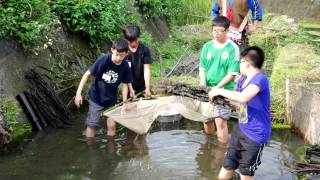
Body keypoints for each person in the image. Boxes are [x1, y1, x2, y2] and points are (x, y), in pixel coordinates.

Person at [208, 46, 270, 179]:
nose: (238, 65)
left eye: (240, 62)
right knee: (228, 165)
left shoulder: (260, 79)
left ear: (247, 63)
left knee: (245, 173)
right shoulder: (242, 79)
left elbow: (243, 97)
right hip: (240, 128)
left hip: (255, 135)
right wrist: (224, 103)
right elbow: (240, 104)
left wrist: (219, 90)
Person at [74, 38, 135, 139]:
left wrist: (124, 102)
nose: (119, 58)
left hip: (111, 100)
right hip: (96, 98)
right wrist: (78, 94)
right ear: (112, 50)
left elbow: (125, 84)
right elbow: (86, 74)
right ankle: (91, 148)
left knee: (112, 125)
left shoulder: (125, 66)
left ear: (126, 53)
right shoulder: (104, 60)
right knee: (92, 124)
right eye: (117, 55)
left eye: (122, 56)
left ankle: (111, 149)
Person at [199, 16, 240, 144]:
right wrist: (202, 82)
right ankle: (208, 145)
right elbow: (202, 67)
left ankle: (220, 152)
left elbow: (232, 74)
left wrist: (217, 88)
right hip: (207, 89)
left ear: (227, 31)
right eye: (214, 30)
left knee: (220, 121)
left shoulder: (233, 48)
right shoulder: (207, 46)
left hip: (224, 91)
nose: (216, 34)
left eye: (219, 31)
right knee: (207, 120)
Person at [123, 25, 152, 97]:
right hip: (128, 87)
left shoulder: (145, 50)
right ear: (126, 40)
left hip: (142, 86)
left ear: (138, 37)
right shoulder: (123, 51)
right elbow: (124, 73)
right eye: (131, 41)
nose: (134, 43)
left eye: (136, 40)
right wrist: (130, 89)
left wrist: (147, 87)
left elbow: (147, 70)